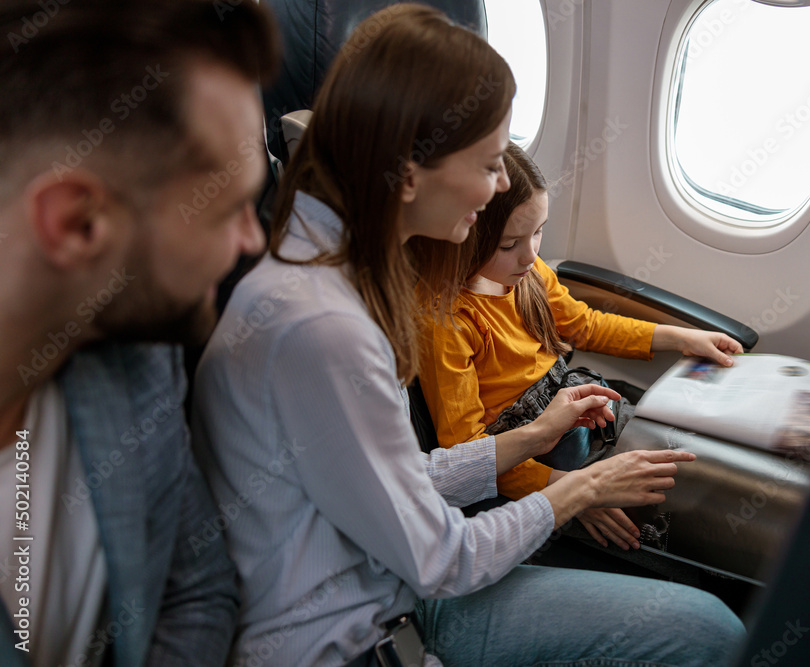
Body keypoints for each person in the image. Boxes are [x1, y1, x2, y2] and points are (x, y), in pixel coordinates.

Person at [192, 4, 744, 666]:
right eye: (488, 162)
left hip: (399, 583)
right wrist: (581, 489)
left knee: (705, 627)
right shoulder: (321, 327)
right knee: (705, 633)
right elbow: (440, 556)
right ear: (407, 173)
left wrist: (533, 436)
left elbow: (397, 477)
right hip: (360, 635)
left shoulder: (343, 274)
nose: (504, 182)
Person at [0, 0, 280, 664]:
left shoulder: (137, 355)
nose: (255, 238)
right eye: (233, 208)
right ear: (77, 224)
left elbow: (198, 591)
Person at [417, 142, 744, 550]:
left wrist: (679, 337)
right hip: (533, 463)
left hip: (578, 414)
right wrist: (572, 493)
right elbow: (472, 457)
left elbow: (587, 325)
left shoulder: (529, 273)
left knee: (701, 465)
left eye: (538, 232)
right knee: (666, 521)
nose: (530, 254)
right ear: (462, 235)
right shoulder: (446, 321)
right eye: (508, 245)